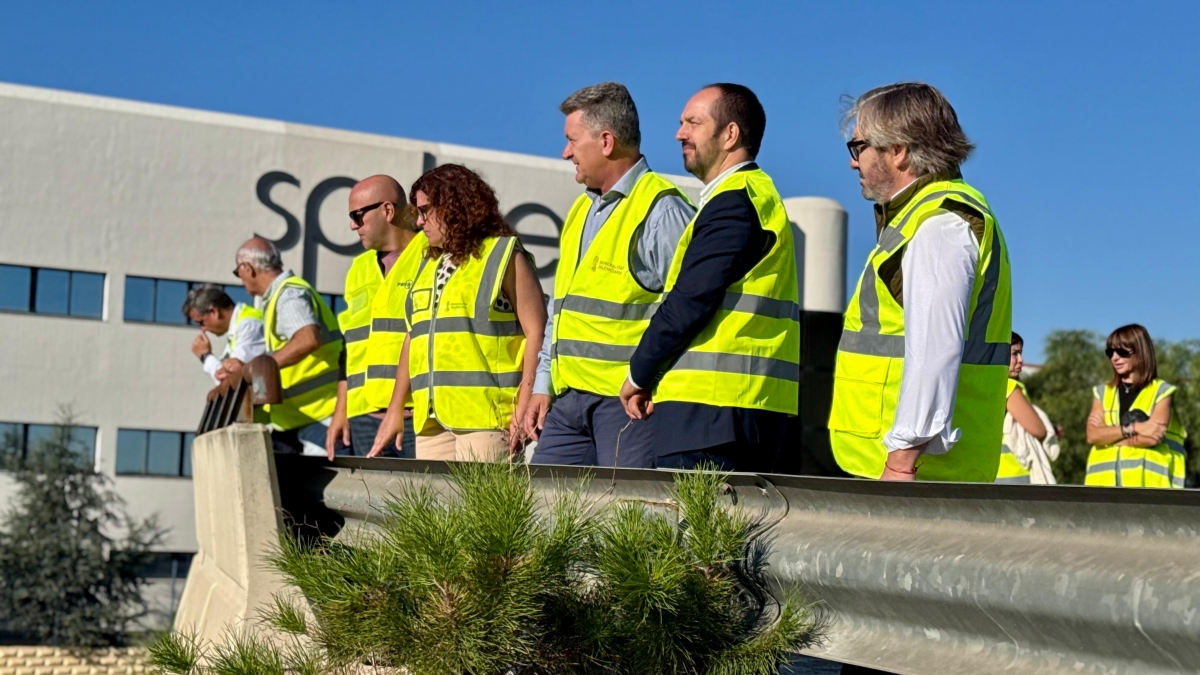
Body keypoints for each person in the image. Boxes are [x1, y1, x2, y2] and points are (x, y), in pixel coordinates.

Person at [828, 82, 1012, 482]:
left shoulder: (939, 224)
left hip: (910, 473)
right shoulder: (931, 216)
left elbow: (935, 350)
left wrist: (900, 461)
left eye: (858, 147)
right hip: (913, 468)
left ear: (898, 150)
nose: (853, 162)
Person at [617, 83, 800, 472]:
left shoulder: (733, 202)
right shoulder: (753, 196)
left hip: (710, 418)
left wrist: (639, 373)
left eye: (693, 123)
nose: (679, 133)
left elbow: (689, 302)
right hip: (746, 410)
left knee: (690, 531)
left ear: (730, 134)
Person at [524, 82, 695, 468]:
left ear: (605, 141)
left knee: (628, 522)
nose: (565, 152)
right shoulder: (579, 213)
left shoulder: (662, 210)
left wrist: (649, 381)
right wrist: (542, 385)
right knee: (539, 513)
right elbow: (561, 311)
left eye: (572, 141)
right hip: (568, 403)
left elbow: (687, 313)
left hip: (628, 407)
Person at [371, 164, 546, 461]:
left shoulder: (502, 254)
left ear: (456, 207)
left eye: (426, 211)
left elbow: (537, 332)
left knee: (485, 509)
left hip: (488, 420)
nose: (420, 222)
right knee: (433, 508)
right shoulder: (427, 264)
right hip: (431, 421)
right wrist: (395, 411)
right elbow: (414, 337)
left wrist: (523, 405)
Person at [325, 175, 427, 460]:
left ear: (387, 210)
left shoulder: (430, 256)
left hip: (415, 415)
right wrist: (341, 411)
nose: (352, 225)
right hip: (362, 418)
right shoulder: (358, 269)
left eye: (358, 216)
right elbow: (349, 348)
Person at [234, 237, 343, 455]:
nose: (240, 278)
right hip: (299, 418)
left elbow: (307, 338)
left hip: (320, 415)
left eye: (238, 272)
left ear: (247, 268)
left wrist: (262, 367)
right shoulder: (281, 295)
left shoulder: (287, 294)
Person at [1085, 324, 1187, 489]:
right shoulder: (1102, 393)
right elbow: (1092, 436)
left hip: (1148, 492)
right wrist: (1133, 428)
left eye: (1122, 352)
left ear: (1141, 351)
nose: (1115, 358)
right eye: (1110, 353)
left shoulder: (1161, 392)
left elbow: (1152, 438)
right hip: (1102, 493)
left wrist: (1110, 438)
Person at [995, 332, 1051, 484]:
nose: (1021, 360)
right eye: (1015, 354)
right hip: (1014, 474)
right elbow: (1039, 430)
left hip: (993, 474)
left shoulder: (988, 386)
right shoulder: (1009, 387)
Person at [182, 284, 265, 385]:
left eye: (201, 322)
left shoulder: (248, 325)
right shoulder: (239, 326)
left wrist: (205, 356)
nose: (202, 329)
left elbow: (230, 381)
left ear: (214, 311)